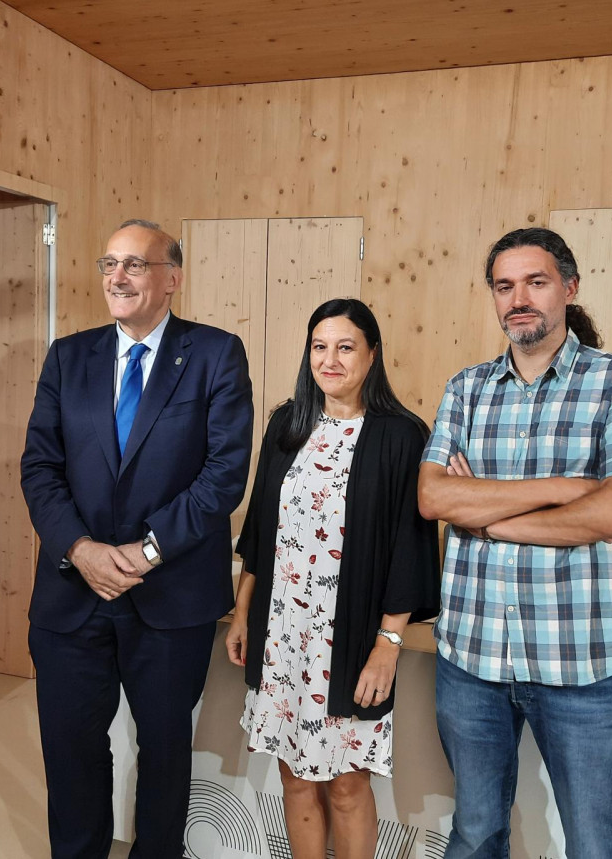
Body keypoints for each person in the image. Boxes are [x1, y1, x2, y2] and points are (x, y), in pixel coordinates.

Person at [418, 228, 612, 859]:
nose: (519, 298)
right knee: (475, 834)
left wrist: (489, 516)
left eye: (535, 282)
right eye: (504, 286)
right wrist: (565, 489)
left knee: (596, 844)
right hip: (472, 657)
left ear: (569, 287)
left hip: (583, 660)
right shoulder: (466, 389)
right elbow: (434, 500)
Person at [21, 219, 253, 859]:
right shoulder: (69, 356)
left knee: (164, 753)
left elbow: (225, 474)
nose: (117, 277)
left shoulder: (215, 354)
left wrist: (147, 552)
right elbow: (39, 467)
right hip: (72, 595)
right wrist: (82, 550)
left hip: (170, 595)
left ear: (172, 279)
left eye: (135, 265)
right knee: (70, 752)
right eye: (108, 264)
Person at [226, 297, 440, 859]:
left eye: (346, 347)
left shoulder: (401, 436)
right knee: (295, 777)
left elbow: (409, 548)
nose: (331, 359)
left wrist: (387, 647)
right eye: (320, 346)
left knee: (346, 784)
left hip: (349, 642)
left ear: (372, 355)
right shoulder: (286, 425)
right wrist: (243, 613)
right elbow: (258, 532)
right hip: (282, 635)